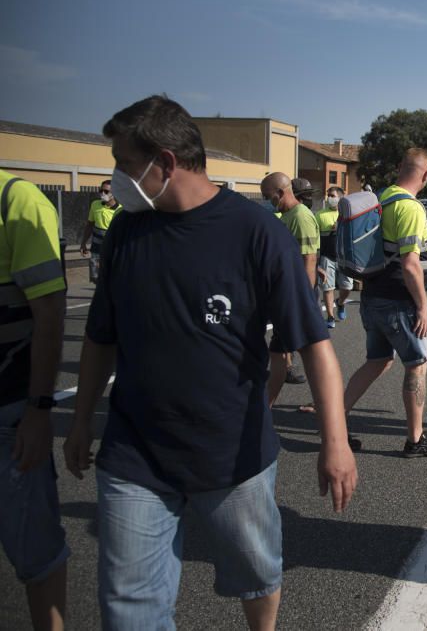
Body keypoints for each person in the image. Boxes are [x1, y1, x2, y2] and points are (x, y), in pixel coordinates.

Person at [63, 95, 357, 631]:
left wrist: (333, 442)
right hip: (134, 455)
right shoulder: (129, 230)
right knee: (127, 608)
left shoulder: (255, 232)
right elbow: (99, 336)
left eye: (126, 164)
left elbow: (315, 345)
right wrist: (82, 419)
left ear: (165, 163)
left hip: (232, 453)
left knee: (256, 576)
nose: (117, 177)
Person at [341, 149, 427, 458]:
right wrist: (424, 306)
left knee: (378, 360)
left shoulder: (381, 198)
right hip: (398, 300)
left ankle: (335, 423)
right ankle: (415, 440)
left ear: (399, 166)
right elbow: (411, 264)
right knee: (417, 365)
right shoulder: (411, 208)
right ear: (425, 175)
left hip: (371, 295)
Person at [0, 170, 69, 631]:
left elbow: (50, 311)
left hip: (9, 410)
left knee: (35, 551)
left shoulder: (16, 201)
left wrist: (40, 409)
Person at [261, 173, 322, 404]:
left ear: (281, 192)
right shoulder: (286, 216)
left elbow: (309, 259)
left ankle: (333, 413)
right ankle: (264, 410)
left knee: (311, 356)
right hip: (287, 295)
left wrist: (302, 299)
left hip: (297, 298)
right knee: (279, 355)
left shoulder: (301, 216)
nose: (268, 200)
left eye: (269, 196)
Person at [316, 186, 352, 326]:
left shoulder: (348, 214)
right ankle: (330, 317)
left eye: (333, 195)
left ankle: (341, 302)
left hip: (344, 257)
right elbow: (315, 237)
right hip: (327, 256)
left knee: (347, 287)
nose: (330, 198)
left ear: (341, 197)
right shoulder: (319, 215)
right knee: (327, 287)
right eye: (328, 195)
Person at [79, 179, 122, 284]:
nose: (103, 193)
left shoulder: (121, 210)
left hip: (113, 247)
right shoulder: (95, 204)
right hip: (97, 247)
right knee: (95, 277)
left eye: (106, 191)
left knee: (113, 276)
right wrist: (83, 243)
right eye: (101, 190)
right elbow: (90, 224)